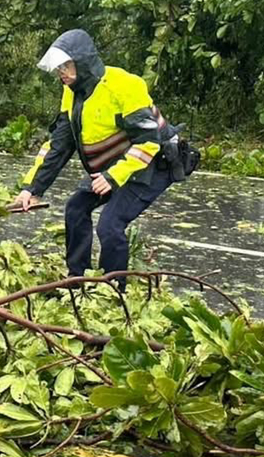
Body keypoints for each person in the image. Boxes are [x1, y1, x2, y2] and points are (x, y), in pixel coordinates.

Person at [13, 29, 189, 283]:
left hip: (153, 164)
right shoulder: (72, 91)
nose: (62, 73)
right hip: (114, 165)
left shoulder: (124, 85)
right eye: (58, 68)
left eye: (66, 65)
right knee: (75, 208)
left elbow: (148, 142)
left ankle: (113, 289)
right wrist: (32, 188)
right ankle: (77, 280)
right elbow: (59, 144)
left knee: (110, 225)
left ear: (82, 61)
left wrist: (112, 177)